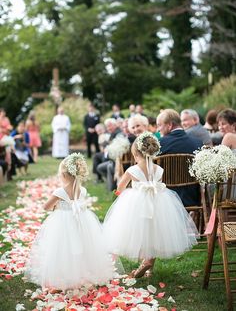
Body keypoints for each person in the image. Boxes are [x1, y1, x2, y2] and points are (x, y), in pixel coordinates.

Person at [103, 132, 198, 278]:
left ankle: (144, 260)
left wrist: (118, 195)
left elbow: (120, 187)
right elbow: (158, 184)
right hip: (158, 203)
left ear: (135, 153)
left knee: (139, 233)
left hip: (137, 205)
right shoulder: (158, 169)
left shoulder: (132, 170)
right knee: (155, 233)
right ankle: (149, 266)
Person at [25, 152, 115, 291]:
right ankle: (77, 277)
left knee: (62, 250)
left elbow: (46, 207)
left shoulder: (60, 191)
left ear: (64, 175)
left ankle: (65, 281)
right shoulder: (82, 190)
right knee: (80, 248)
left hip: (63, 224)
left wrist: (57, 206)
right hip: (81, 222)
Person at [156, 109, 203, 206]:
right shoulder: (198, 143)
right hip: (192, 197)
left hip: (166, 198)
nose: (158, 129)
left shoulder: (160, 144)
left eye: (159, 125)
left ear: (169, 125)